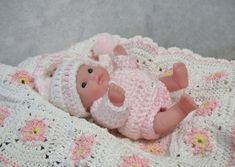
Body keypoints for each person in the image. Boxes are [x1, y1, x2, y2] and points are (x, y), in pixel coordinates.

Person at [49, 41, 198, 140]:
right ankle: (180, 110)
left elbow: (127, 66)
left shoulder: (115, 75)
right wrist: (115, 102)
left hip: (154, 87)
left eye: (89, 70)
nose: (92, 76)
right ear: (83, 105)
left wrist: (120, 55)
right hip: (144, 118)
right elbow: (113, 119)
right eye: (84, 84)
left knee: (159, 80)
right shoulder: (98, 107)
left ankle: (177, 81)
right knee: (157, 123)